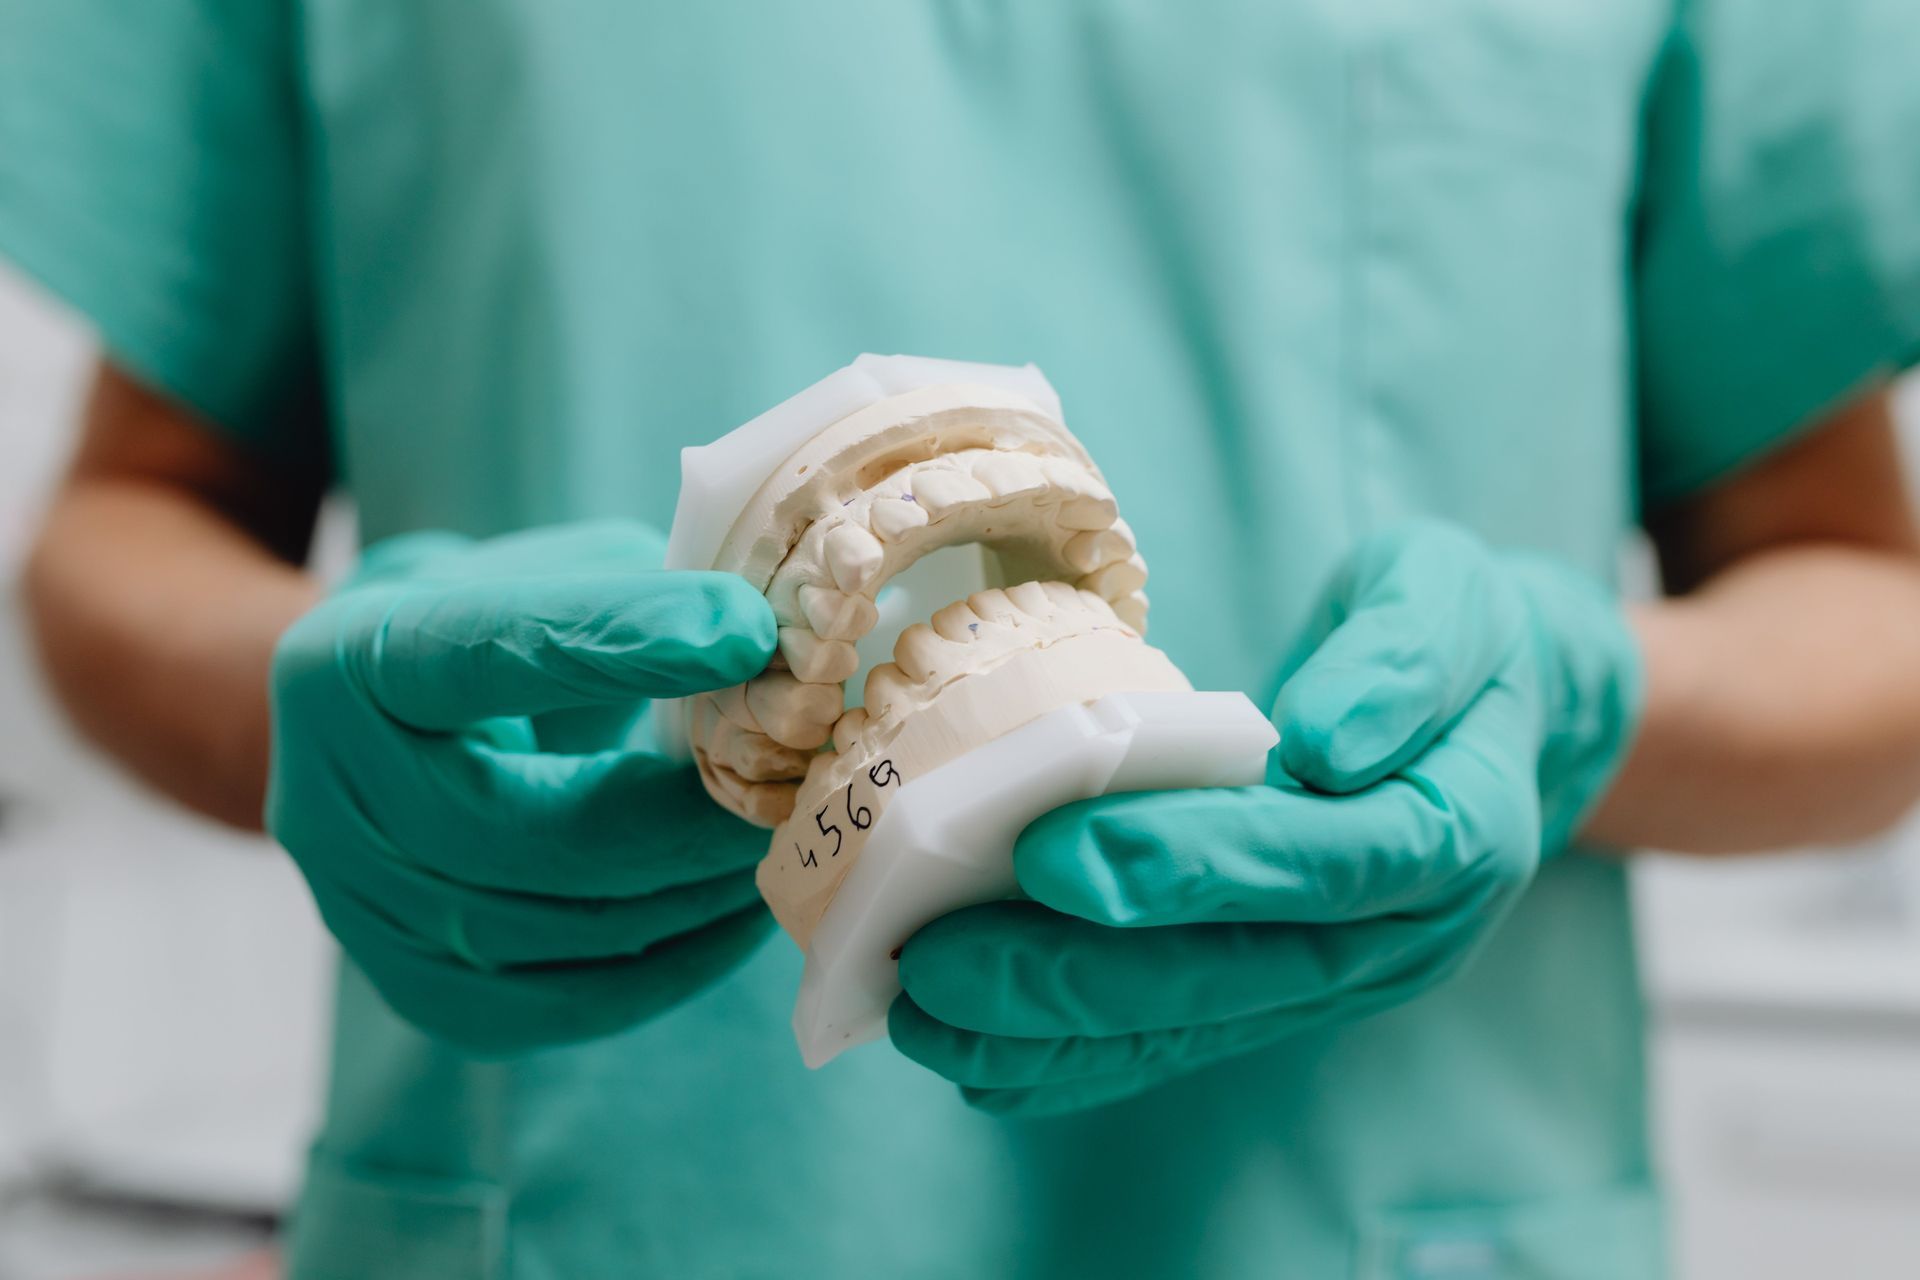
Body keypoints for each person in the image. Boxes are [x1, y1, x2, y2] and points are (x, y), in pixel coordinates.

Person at [7, 2, 1920, 1276]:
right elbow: (127, 520)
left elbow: (1864, 596)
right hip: (594, 1205)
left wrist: (1576, 701)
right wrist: (309, 703)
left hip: (1375, 1201)